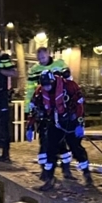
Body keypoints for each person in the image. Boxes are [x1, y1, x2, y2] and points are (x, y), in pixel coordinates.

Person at [30, 70, 93, 191]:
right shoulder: (40, 91)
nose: (47, 87)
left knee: (76, 148)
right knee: (50, 150)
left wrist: (79, 122)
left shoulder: (69, 86)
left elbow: (79, 105)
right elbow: (35, 108)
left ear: (53, 81)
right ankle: (49, 179)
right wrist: (30, 125)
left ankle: (87, 175)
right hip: (54, 122)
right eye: (44, 85)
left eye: (48, 84)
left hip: (70, 122)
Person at [26, 48, 72, 176]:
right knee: (44, 141)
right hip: (44, 110)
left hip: (58, 110)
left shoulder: (60, 64)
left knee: (60, 141)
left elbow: (69, 84)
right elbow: (30, 91)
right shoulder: (34, 70)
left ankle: (65, 168)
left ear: (48, 54)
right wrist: (29, 111)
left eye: (43, 56)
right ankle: (45, 171)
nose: (41, 59)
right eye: (39, 57)